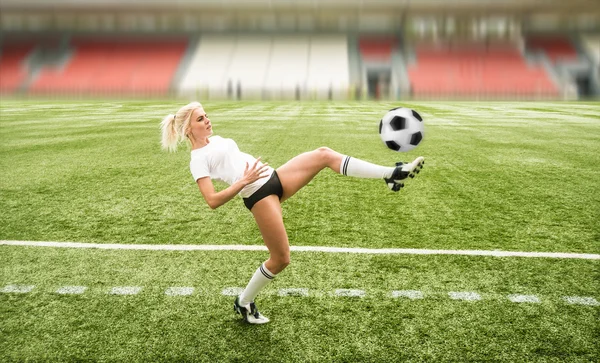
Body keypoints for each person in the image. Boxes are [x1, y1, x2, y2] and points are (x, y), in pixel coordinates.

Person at [160, 102, 424, 324]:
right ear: (188, 128)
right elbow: (212, 200)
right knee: (281, 258)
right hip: (258, 195)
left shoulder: (214, 140)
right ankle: (244, 302)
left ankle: (391, 174)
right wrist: (243, 181)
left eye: (206, 115)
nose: (208, 120)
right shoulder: (197, 159)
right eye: (201, 118)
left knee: (323, 154)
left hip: (276, 177)